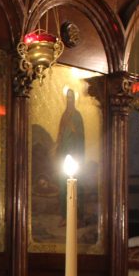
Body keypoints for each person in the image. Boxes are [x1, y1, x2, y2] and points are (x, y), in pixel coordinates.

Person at [55, 87, 85, 226]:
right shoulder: (64, 116)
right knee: (63, 187)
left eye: (72, 98)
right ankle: (64, 216)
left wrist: (75, 130)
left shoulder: (77, 116)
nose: (70, 100)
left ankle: (77, 217)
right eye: (68, 98)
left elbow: (81, 136)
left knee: (76, 187)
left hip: (75, 155)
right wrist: (57, 146)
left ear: (74, 99)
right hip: (64, 155)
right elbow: (60, 134)